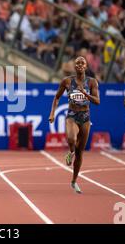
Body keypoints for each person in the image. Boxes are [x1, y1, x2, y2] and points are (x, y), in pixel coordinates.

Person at [49, 56, 100, 193]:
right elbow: (57, 97)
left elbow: (97, 101)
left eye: (82, 63)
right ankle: (70, 151)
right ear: (74, 66)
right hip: (72, 115)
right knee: (72, 139)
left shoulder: (91, 82)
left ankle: (74, 181)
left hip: (85, 117)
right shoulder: (67, 81)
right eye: (77, 63)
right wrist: (52, 113)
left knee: (80, 152)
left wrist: (85, 94)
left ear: (86, 66)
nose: (79, 65)